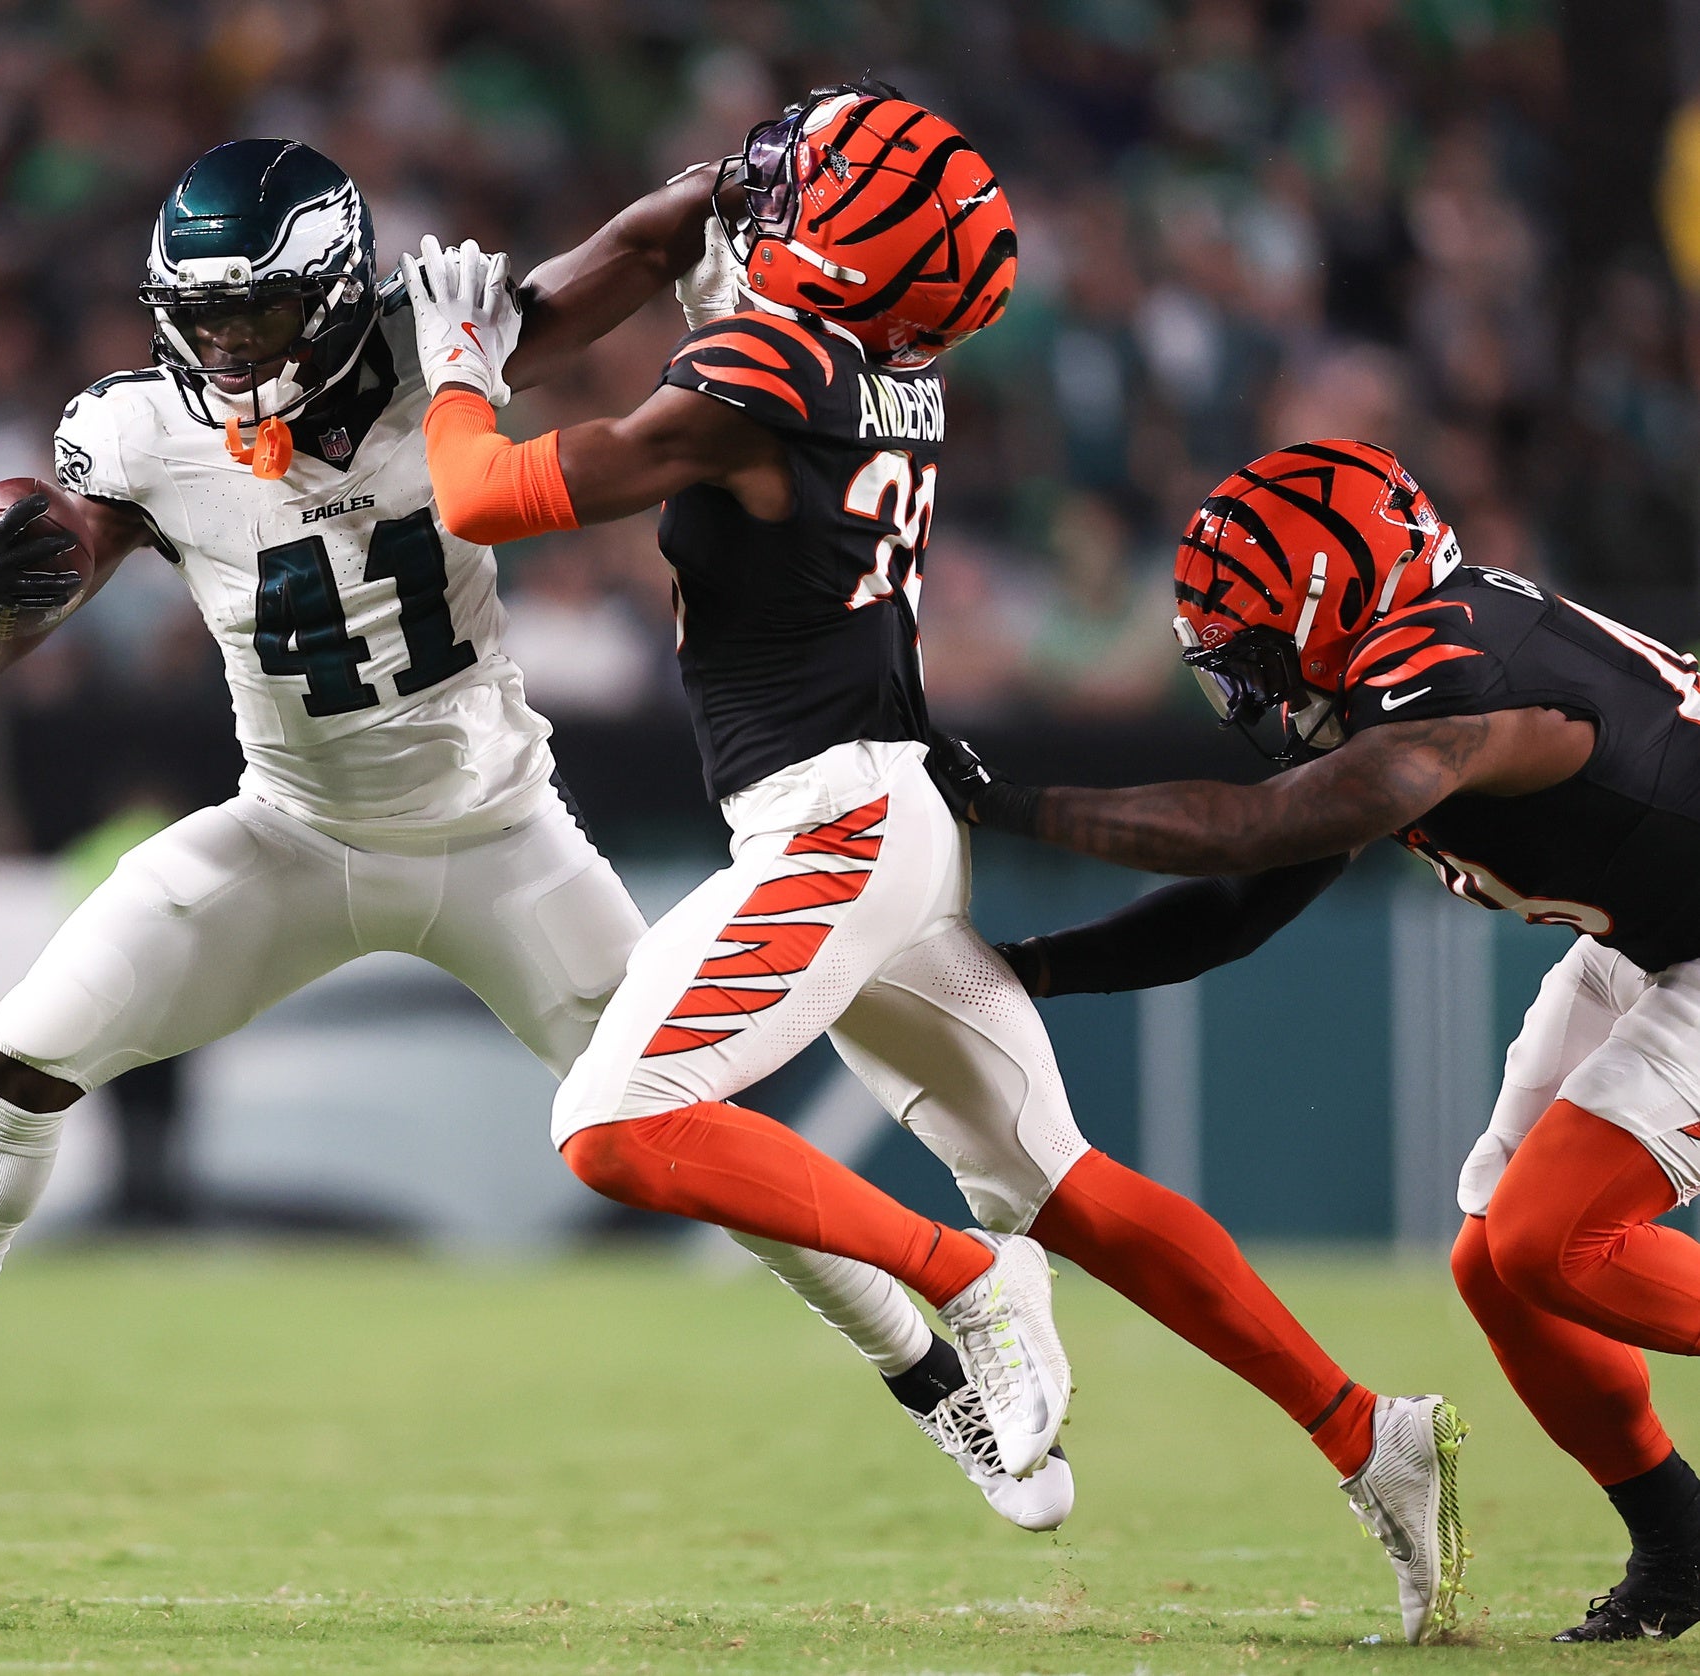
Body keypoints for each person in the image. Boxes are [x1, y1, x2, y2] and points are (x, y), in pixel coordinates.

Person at [0, 137, 1066, 1524]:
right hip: (290, 833)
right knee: (22, 1056)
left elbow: (640, 257)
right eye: (209, 320)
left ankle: (933, 1382)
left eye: (263, 314)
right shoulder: (136, 434)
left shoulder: (441, 342)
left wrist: (733, 178)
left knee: (687, 1131)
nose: (233, 350)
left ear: (341, 291)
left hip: (498, 840)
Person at [406, 85, 1461, 1643]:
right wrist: (694, 202)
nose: (765, 192)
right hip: (892, 818)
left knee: (617, 1123)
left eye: (803, 180)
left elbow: (479, 492)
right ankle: (1364, 1431)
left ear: (837, 239)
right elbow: (677, 243)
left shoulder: (764, 371)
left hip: (833, 822)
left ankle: (958, 1281)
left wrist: (451, 358)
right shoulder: (874, 363)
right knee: (1069, 1185)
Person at [933, 437, 1700, 1644]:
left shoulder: (1453, 681)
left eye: (1249, 651)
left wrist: (1007, 804)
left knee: (1557, 1239)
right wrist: (1034, 970)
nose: (1244, 686)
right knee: (1497, 1264)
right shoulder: (1408, 669)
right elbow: (1244, 903)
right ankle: (1682, 1545)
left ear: (1328, 598)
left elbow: (1251, 832)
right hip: (1653, 931)